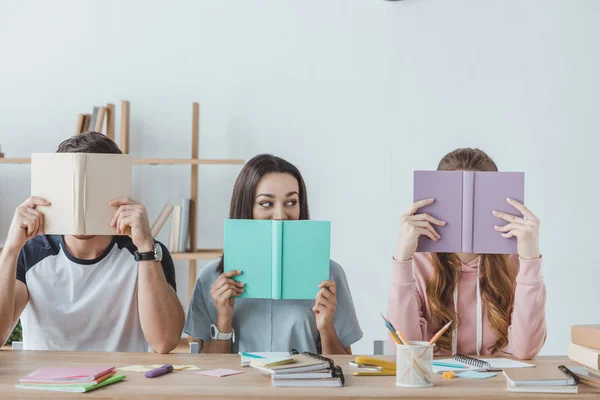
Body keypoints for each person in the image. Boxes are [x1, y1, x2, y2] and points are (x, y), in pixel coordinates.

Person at [0, 131, 184, 353]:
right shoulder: (29, 253)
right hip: (46, 383)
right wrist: (11, 248)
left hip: (125, 382)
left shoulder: (149, 252)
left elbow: (163, 342)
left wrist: (145, 247)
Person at [184, 154, 363, 354]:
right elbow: (205, 372)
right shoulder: (212, 277)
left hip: (304, 384)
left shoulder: (329, 273)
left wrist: (326, 327)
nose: (280, 215)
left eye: (291, 202)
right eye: (266, 203)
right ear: (246, 207)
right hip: (240, 384)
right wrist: (224, 319)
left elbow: (345, 366)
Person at [387, 148, 546, 359]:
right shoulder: (417, 262)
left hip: (497, 387)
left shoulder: (515, 263)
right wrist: (402, 258)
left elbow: (526, 350)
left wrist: (530, 259)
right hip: (435, 387)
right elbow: (405, 349)